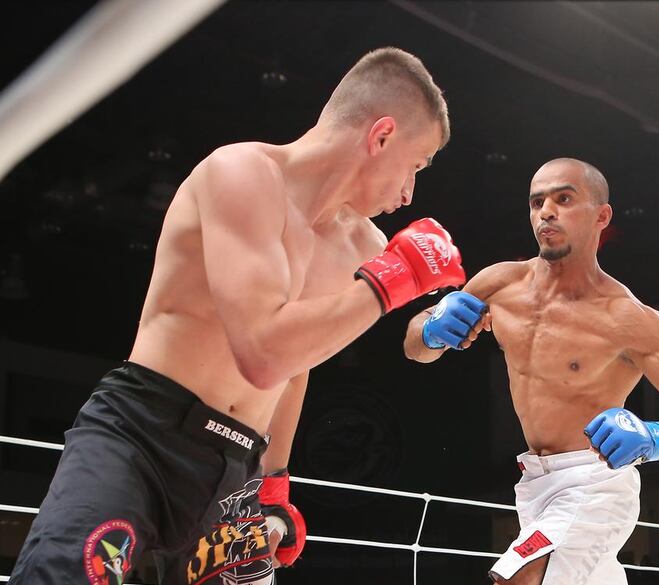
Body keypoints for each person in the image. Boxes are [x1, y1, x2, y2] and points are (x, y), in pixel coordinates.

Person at [10, 47, 466, 585]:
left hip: (237, 474)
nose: (409, 193)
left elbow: (297, 367)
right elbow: (263, 354)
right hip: (141, 440)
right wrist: (393, 281)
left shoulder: (363, 246)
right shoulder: (243, 175)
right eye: (414, 165)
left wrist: (274, 484)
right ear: (382, 135)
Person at [403, 158, 659, 585]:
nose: (547, 212)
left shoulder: (625, 317)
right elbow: (415, 349)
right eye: (537, 201)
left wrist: (655, 437)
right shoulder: (500, 285)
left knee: (518, 577)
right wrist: (431, 329)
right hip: (535, 484)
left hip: (595, 484)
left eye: (564, 198)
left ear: (602, 215)